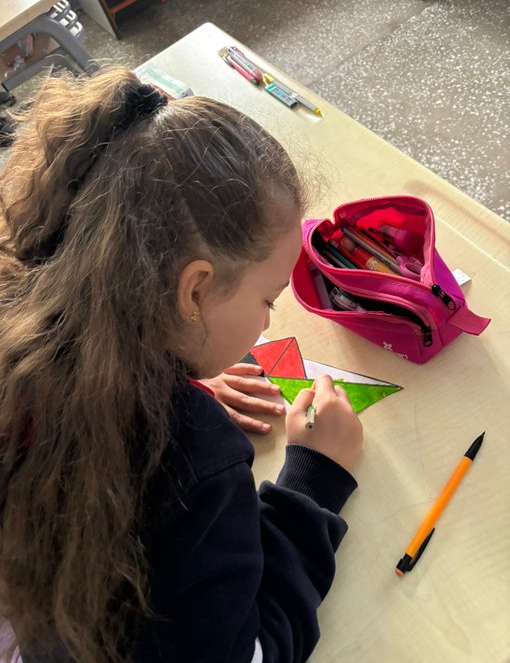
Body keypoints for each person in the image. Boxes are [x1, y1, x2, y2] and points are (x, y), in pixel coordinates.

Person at [0, 67, 363, 663]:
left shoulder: (30, 312)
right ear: (193, 294)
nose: (270, 322)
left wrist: (165, 369)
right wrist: (314, 484)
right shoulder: (196, 467)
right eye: (269, 299)